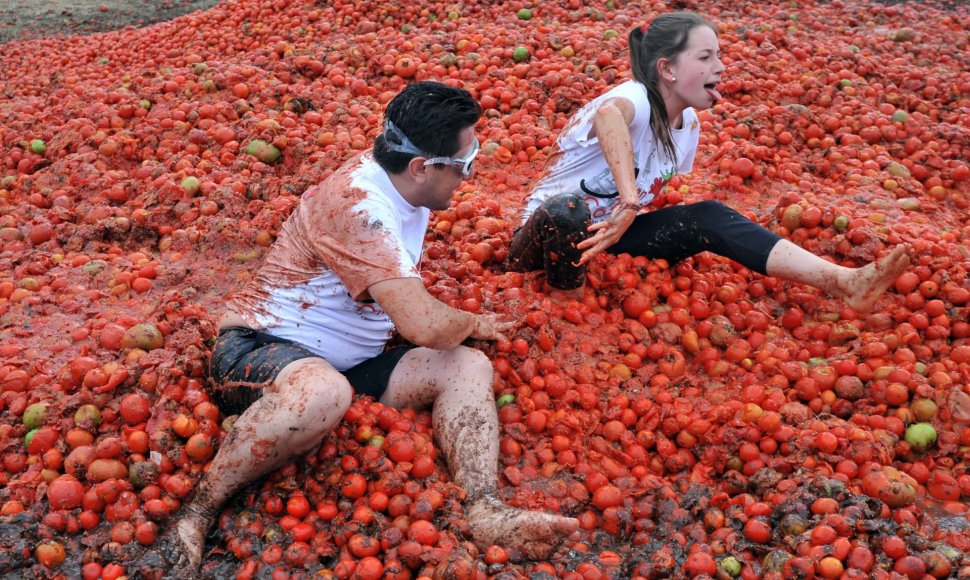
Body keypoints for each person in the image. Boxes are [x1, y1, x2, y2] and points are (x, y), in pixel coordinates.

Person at [143, 81, 578, 576]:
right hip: (258, 349)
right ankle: (196, 510)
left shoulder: (401, 186)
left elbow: (422, 320)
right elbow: (424, 325)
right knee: (325, 393)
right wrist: (470, 319)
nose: (469, 177)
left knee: (466, 364)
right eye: (464, 164)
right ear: (420, 167)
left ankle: (483, 508)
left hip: (346, 368)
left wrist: (464, 330)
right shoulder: (359, 207)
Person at [508, 11, 909, 312]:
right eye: (705, 57)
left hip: (608, 239)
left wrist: (629, 217)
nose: (720, 67)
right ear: (666, 69)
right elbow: (608, 117)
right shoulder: (634, 97)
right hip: (543, 240)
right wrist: (630, 203)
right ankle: (565, 311)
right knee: (568, 211)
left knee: (710, 216)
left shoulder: (688, 125)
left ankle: (844, 282)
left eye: (719, 55)